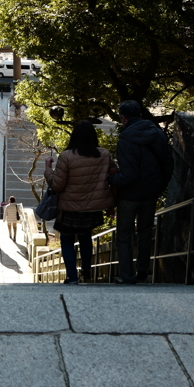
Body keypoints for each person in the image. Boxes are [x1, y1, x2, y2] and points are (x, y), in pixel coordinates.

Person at [43, 121, 118, 284]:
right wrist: (111, 203)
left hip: (70, 208)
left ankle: (72, 277)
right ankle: (86, 271)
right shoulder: (104, 154)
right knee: (86, 237)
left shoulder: (67, 156)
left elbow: (57, 185)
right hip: (93, 208)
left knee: (67, 241)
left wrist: (48, 169)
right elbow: (114, 176)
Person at [109, 100, 174, 284]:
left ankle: (127, 276)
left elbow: (129, 175)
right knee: (145, 232)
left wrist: (111, 180)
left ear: (123, 118)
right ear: (140, 115)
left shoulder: (126, 140)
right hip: (151, 194)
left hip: (129, 196)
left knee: (124, 236)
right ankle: (143, 271)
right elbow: (168, 163)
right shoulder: (158, 134)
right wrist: (160, 186)